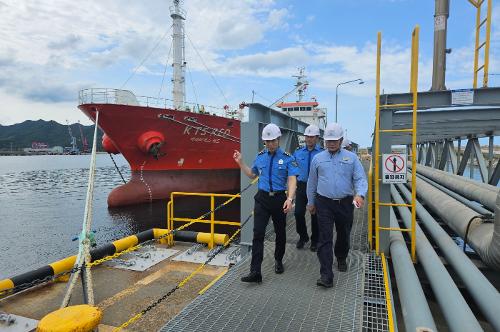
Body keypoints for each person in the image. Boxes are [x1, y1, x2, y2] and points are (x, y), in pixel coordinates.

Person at [233, 123, 299, 283]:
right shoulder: (260, 156)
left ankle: (278, 260)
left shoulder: (288, 158)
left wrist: (290, 199)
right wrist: (240, 162)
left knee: (280, 232)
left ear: (279, 139)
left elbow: (292, 180)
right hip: (262, 199)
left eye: (273, 141)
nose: (270, 144)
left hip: (279, 199)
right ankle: (255, 271)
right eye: (267, 141)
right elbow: (251, 174)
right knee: (258, 234)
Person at [306, 123, 367, 288]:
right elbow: (312, 182)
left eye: (334, 140)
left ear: (340, 140)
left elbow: (360, 179)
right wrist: (311, 202)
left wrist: (360, 194)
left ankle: (341, 257)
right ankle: (326, 275)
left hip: (345, 203)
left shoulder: (352, 158)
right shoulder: (318, 159)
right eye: (328, 141)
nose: (331, 143)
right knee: (324, 238)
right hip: (324, 202)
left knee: (343, 233)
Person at [293, 124, 323, 251]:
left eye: (312, 137)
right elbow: (292, 169)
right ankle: (303, 236)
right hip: (301, 186)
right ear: (305, 138)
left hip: (317, 187)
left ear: (317, 138)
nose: (309, 139)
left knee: (315, 214)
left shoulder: (322, 153)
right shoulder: (298, 152)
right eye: (307, 137)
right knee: (298, 213)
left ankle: (315, 240)